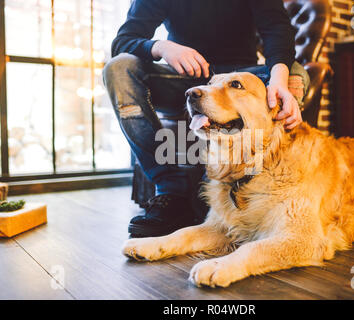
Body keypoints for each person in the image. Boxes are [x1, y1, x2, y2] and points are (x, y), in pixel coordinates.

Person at [103, 0, 309, 238]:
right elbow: (123, 41)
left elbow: (276, 27)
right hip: (185, 78)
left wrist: (279, 81)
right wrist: (164, 47)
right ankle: (171, 189)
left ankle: (265, 185)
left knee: (296, 75)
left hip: (240, 78)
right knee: (118, 69)